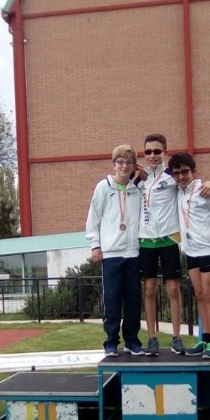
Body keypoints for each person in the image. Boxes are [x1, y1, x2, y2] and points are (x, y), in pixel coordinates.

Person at [139, 133, 210, 356]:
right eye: (148, 151)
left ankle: (176, 337)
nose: (152, 155)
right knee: (149, 289)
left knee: (173, 288)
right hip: (145, 239)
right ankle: (152, 338)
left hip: (169, 238)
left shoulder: (172, 174)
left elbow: (192, 181)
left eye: (157, 151)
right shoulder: (139, 177)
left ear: (164, 153)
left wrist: (209, 183)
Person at [168, 152, 210, 359]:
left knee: (208, 294)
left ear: (193, 172)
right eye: (177, 173)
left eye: (185, 172)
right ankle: (204, 339)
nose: (181, 177)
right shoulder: (177, 192)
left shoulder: (204, 190)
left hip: (208, 248)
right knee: (198, 294)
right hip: (190, 250)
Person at [86, 144, 144, 357]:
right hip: (111, 253)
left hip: (132, 253)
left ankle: (132, 341)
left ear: (134, 166)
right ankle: (111, 342)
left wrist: (143, 175)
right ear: (114, 164)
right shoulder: (104, 187)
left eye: (129, 162)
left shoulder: (137, 189)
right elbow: (94, 218)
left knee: (132, 300)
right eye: (120, 162)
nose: (124, 166)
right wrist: (95, 245)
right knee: (112, 300)